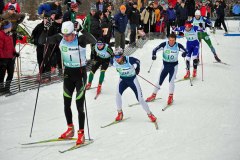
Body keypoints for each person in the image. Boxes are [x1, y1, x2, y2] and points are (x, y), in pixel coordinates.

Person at [47, 21, 96, 145]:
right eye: (64, 35)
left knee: (79, 106)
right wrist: (45, 28)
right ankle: (70, 129)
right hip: (68, 74)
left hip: (80, 74)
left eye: (68, 35)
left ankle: (81, 133)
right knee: (66, 104)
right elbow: (42, 40)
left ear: (73, 32)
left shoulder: (81, 39)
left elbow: (94, 40)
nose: (66, 38)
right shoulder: (60, 38)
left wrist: (82, 29)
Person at [110, 47, 157, 123]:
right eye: (115, 57)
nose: (117, 59)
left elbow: (138, 61)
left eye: (118, 57)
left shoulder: (129, 59)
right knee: (117, 94)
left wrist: (137, 68)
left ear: (122, 56)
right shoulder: (113, 61)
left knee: (140, 99)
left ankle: (150, 114)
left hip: (132, 80)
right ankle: (120, 113)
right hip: (123, 80)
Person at [146, 33, 187, 104]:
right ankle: (153, 95)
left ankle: (170, 97)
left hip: (173, 66)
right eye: (170, 40)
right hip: (165, 66)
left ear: (175, 40)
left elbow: (186, 51)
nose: (171, 42)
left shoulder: (178, 45)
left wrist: (184, 54)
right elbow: (155, 50)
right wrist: (154, 55)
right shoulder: (164, 44)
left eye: (173, 40)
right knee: (159, 81)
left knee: (171, 81)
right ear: (168, 39)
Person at [0, 20, 19, 94]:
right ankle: (1, 90)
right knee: (1, 75)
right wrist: (1, 59)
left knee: (10, 74)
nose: (11, 27)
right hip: (3, 58)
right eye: (10, 26)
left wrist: (15, 52)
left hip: (10, 57)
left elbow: (11, 46)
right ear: (6, 27)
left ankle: (6, 89)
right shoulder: (1, 35)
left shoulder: (9, 34)